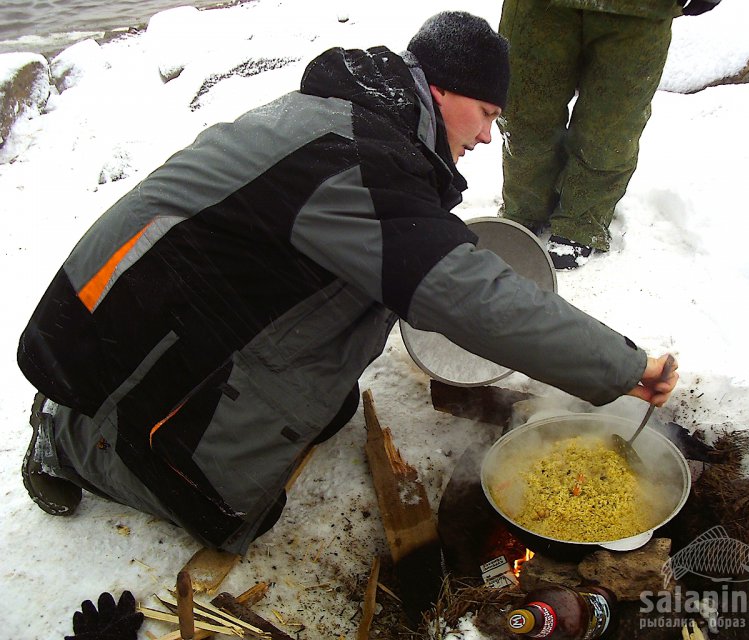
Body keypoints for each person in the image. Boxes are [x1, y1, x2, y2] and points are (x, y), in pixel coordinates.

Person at [17, 11, 679, 555]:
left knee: (307, 411)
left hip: (177, 307)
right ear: (441, 91)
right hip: (121, 339)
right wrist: (623, 366)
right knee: (229, 516)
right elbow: (471, 295)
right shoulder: (354, 157)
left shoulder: (357, 125)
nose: (486, 135)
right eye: (484, 112)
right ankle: (63, 439)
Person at [498, 0, 722, 269]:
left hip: (638, 9)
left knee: (611, 125)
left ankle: (581, 220)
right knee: (524, 109)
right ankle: (525, 207)